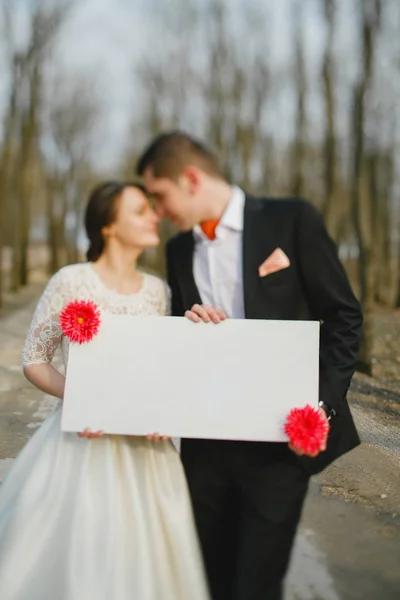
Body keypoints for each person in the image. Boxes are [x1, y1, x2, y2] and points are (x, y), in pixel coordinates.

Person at [137, 132, 363, 600]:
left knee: (255, 585)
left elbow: (343, 317)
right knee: (206, 579)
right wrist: (189, 325)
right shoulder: (179, 250)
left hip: (278, 448)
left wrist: (320, 408)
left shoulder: (292, 219)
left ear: (192, 178)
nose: (158, 212)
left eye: (159, 196)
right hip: (203, 449)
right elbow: (183, 345)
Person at [0, 182, 210, 600]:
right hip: (80, 444)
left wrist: (161, 413)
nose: (154, 216)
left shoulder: (158, 291)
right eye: (139, 211)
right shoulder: (70, 281)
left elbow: (159, 368)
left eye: (152, 209)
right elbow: (34, 359)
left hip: (145, 450)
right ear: (109, 226)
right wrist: (82, 398)